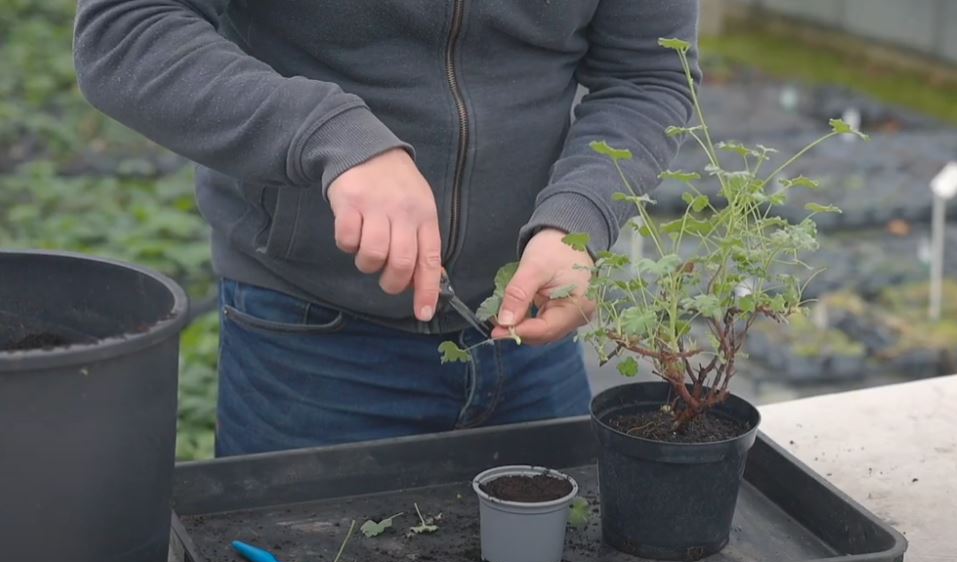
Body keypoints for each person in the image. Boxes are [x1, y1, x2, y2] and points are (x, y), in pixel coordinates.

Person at [73, 0, 698, 455]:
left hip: (530, 340)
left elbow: (647, 74)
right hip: (312, 339)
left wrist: (578, 219)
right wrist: (329, 136)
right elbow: (128, 28)